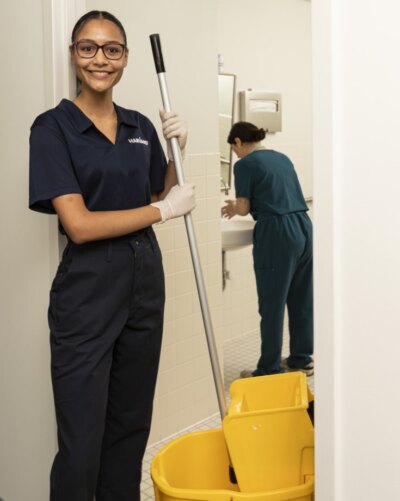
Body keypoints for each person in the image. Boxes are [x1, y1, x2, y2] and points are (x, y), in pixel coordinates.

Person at [29, 10, 195, 501]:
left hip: (145, 287)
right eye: (88, 47)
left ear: (125, 58)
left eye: (112, 49)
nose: (100, 59)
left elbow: (160, 193)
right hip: (87, 294)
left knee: (128, 431)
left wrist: (176, 153)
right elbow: (78, 226)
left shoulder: (140, 125)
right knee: (82, 444)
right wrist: (163, 211)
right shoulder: (53, 128)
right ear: (74, 55)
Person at [221, 121, 313, 377]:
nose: (235, 154)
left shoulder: (245, 165)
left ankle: (269, 369)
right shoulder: (281, 157)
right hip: (304, 225)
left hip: (277, 231)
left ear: (238, 141)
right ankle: (301, 359)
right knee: (301, 297)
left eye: (234, 149)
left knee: (272, 302)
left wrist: (231, 208)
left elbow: (243, 207)